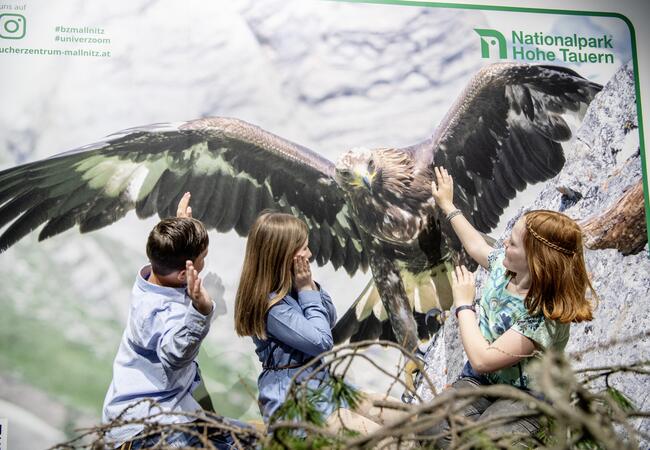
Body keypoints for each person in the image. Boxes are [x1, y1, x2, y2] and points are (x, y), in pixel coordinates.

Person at [428, 167, 597, 446]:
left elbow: (483, 359)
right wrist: (448, 205)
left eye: (513, 244)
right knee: (431, 423)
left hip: (526, 398)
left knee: (486, 440)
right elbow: (475, 245)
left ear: (536, 261)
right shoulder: (503, 270)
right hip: (479, 385)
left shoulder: (543, 315)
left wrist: (464, 305)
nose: (504, 242)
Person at [102, 193, 253, 449]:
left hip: (153, 409)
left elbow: (169, 258)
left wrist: (183, 227)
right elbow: (175, 356)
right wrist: (201, 309)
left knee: (251, 439)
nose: (205, 260)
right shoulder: (162, 313)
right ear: (184, 273)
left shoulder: (153, 277)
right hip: (151, 426)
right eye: (203, 256)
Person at [234, 212, 396, 434]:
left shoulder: (293, 289)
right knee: (389, 441)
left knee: (409, 418)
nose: (309, 254)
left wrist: (311, 287)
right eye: (303, 249)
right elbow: (321, 341)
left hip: (323, 386)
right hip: (297, 401)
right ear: (281, 256)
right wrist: (307, 291)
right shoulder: (271, 308)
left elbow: (328, 318)